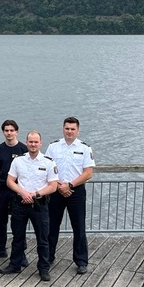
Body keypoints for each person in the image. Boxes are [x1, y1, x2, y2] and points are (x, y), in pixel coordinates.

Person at [0, 131, 58, 281]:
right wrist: (23, 193)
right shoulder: (18, 161)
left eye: (36, 142)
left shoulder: (48, 162)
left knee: (43, 238)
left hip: (39, 205)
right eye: (30, 142)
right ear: (26, 143)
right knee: (18, 237)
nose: (33, 144)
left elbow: (53, 186)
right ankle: (15, 264)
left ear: (41, 143)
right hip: (20, 203)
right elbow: (10, 181)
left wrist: (35, 195)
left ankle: (43, 268)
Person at [45, 117, 95, 275]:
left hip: (76, 191)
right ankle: (48, 257)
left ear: (78, 131)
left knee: (79, 227)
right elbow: (47, 168)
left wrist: (70, 185)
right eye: (67, 128)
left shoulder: (85, 148)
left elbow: (88, 173)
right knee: (51, 226)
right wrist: (60, 185)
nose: (69, 131)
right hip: (56, 190)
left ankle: (81, 261)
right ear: (63, 129)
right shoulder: (53, 147)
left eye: (73, 129)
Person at [0, 120, 29, 261]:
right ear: (3, 132)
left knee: (19, 221)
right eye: (6, 130)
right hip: (1, 189)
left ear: (17, 132)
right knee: (0, 220)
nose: (9, 133)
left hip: (18, 189)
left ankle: (21, 253)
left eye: (12, 130)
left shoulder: (24, 149)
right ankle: (1, 247)